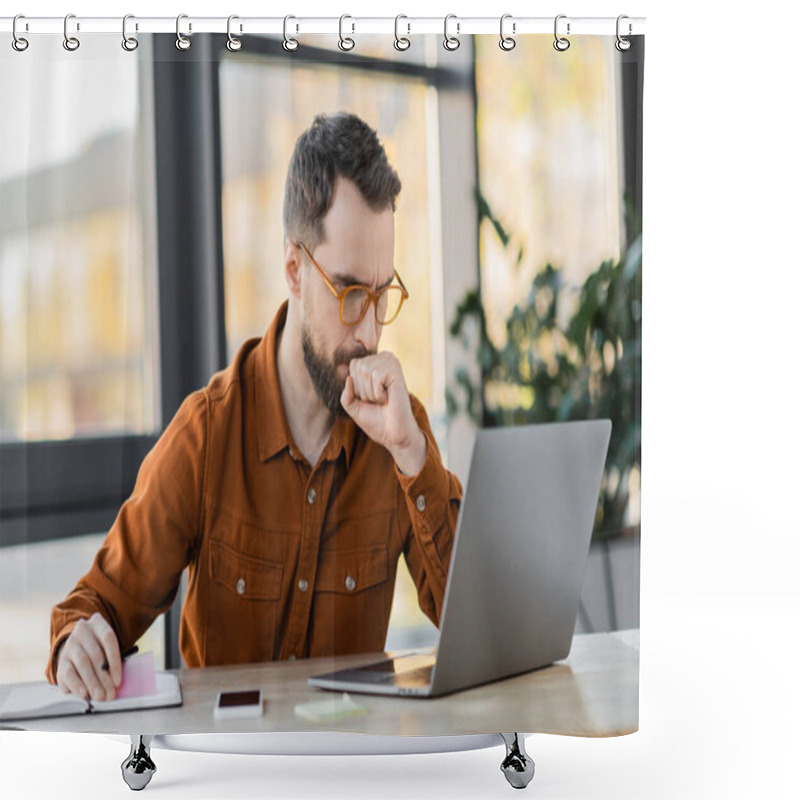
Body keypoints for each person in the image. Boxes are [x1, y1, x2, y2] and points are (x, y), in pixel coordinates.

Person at [46, 112, 462, 704]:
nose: (369, 332)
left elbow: (476, 625)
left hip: (351, 774)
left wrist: (412, 456)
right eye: (348, 294)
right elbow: (92, 607)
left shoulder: (403, 435)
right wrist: (75, 645)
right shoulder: (208, 432)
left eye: (381, 294)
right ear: (294, 269)